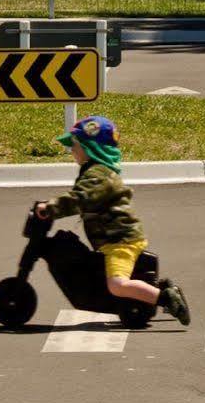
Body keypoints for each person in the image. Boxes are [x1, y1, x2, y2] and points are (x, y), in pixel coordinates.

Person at [32, 115, 191, 325]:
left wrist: (51, 208)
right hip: (114, 239)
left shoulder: (99, 174)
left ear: (91, 148)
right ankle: (160, 289)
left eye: (76, 146)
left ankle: (166, 298)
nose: (72, 150)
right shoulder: (96, 171)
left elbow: (81, 197)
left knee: (116, 284)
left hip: (120, 242)